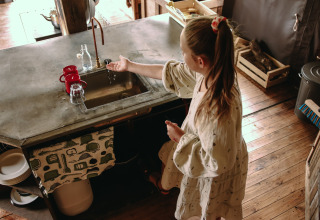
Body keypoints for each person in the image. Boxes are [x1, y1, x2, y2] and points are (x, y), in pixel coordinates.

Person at [106, 15, 248, 220]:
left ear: (200, 60)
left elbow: (217, 162)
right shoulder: (213, 71)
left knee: (211, 207)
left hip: (216, 170)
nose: (181, 57)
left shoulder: (216, 108)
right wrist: (130, 66)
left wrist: (181, 138)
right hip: (215, 148)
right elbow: (171, 73)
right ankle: (164, 185)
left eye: (183, 53)